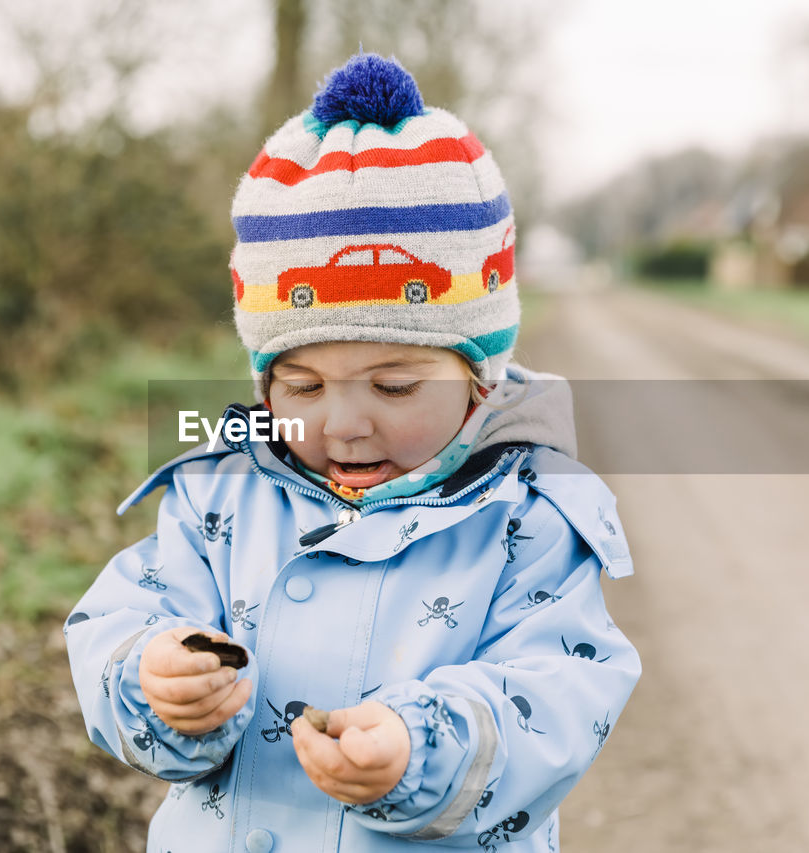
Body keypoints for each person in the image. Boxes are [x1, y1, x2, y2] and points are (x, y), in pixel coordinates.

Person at [65, 53, 640, 852]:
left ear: (481, 377)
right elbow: (125, 611)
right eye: (301, 386)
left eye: (394, 387)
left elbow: (563, 688)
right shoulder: (219, 491)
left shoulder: (528, 515)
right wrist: (152, 679)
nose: (342, 425)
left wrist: (421, 750)